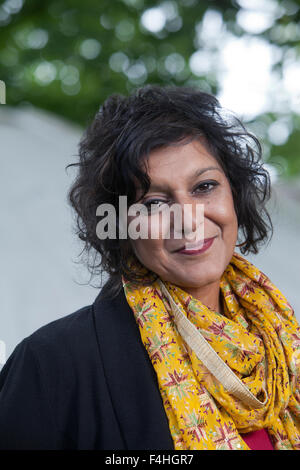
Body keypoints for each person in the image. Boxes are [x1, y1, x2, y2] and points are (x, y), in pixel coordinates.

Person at [0, 85, 299, 450]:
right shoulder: (51, 366)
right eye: (155, 203)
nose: (189, 220)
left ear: (234, 196)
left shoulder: (281, 340)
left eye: (205, 187)